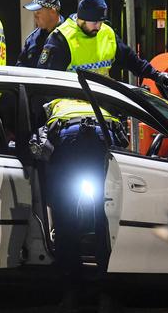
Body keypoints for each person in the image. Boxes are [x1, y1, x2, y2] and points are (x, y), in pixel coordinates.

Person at [32, 98, 127, 313]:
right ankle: (106, 293)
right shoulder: (98, 102)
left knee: (65, 219)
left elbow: (41, 144)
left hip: (68, 138)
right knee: (105, 219)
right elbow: (124, 144)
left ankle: (71, 292)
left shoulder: (54, 105)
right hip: (104, 136)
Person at [37, 0, 168, 86]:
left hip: (103, 103)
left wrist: (157, 75)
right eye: (95, 22)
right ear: (81, 18)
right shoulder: (61, 39)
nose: (99, 27)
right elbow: (48, 81)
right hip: (71, 109)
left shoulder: (107, 33)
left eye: (101, 22)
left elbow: (132, 61)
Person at [16, 0, 64, 68]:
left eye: (38, 12)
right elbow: (20, 66)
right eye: (34, 13)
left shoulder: (68, 36)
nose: (35, 16)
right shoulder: (32, 39)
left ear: (53, 11)